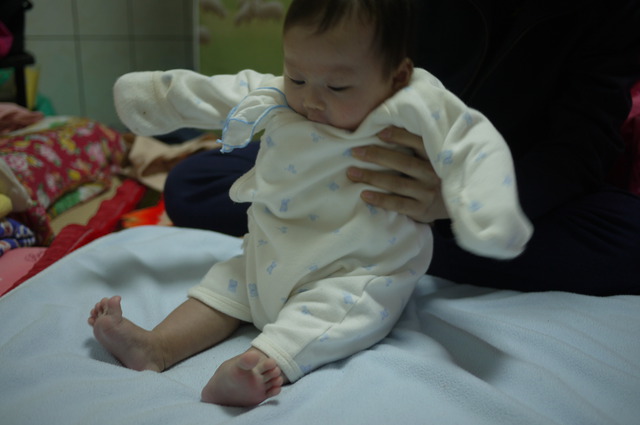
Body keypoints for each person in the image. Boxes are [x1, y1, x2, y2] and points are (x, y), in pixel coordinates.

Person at [89, 0, 532, 408]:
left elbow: (472, 141)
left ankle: (257, 364)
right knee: (227, 283)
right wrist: (155, 97)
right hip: (271, 253)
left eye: (338, 86)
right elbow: (220, 93)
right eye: (297, 77)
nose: (311, 100)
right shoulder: (284, 96)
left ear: (396, 77)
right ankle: (158, 347)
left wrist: (487, 211)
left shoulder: (415, 101)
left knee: (337, 313)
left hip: (358, 266)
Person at [165, 0, 640, 295]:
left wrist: (458, 201)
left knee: (629, 243)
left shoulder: (611, 13)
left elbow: (582, 147)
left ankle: (368, 242)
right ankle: (365, 234)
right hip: (355, 158)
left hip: (492, 180)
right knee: (193, 182)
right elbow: (331, 58)